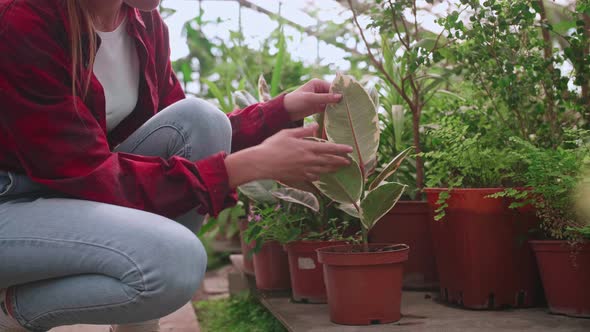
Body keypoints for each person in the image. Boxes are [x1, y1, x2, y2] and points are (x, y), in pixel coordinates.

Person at [0, 0, 353, 331]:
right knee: (175, 263)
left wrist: (281, 109)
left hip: (70, 192)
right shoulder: (23, 19)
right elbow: (88, 174)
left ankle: (135, 326)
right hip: (12, 204)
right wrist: (243, 167)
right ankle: (11, 312)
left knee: (202, 120)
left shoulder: (143, 21)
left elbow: (180, 137)